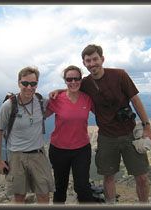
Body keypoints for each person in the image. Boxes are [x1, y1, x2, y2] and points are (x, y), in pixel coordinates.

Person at [49, 44, 151, 204]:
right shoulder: (85, 83)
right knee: (108, 175)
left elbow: (135, 99)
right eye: (88, 61)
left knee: (142, 176)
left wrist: (147, 126)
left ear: (102, 59)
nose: (92, 63)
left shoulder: (120, 75)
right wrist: (58, 91)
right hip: (106, 136)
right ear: (84, 64)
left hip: (129, 133)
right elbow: (72, 87)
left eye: (95, 59)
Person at [0, 66, 55, 204]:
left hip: (38, 155)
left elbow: (61, 99)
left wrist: (59, 90)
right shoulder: (9, 105)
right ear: (18, 83)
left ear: (37, 84)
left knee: (44, 195)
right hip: (16, 156)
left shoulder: (40, 102)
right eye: (25, 83)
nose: (29, 87)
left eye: (33, 84)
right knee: (19, 197)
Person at [46, 65, 95, 204]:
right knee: (60, 187)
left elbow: (103, 112)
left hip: (81, 149)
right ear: (65, 81)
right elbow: (40, 116)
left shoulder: (87, 98)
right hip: (59, 150)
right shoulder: (57, 99)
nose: (73, 82)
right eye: (69, 79)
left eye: (76, 78)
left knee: (82, 187)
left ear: (81, 79)